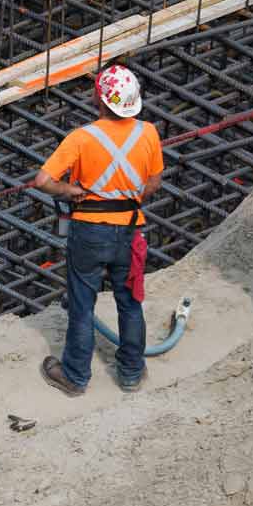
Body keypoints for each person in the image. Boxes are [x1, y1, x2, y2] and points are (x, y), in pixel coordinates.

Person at [33, 65, 163, 395]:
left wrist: (69, 191)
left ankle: (75, 377)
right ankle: (131, 373)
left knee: (82, 304)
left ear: (99, 99)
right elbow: (152, 183)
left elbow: (43, 181)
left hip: (89, 230)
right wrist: (129, 198)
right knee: (130, 302)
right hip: (130, 230)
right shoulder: (147, 132)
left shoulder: (82, 138)